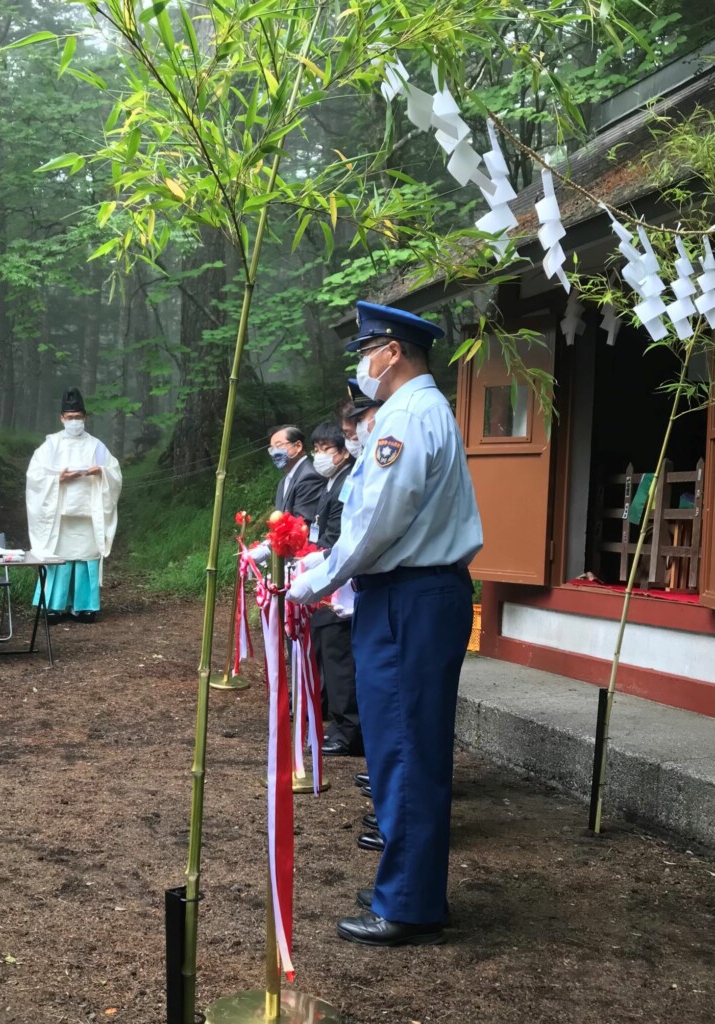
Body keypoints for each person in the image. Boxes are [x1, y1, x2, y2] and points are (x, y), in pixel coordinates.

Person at [288, 301, 483, 948]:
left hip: (409, 596)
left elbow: (377, 522)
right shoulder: (419, 411)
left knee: (404, 751)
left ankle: (408, 902)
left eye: (364, 351)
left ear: (392, 350)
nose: (361, 366)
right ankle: (405, 885)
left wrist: (314, 582)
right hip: (407, 594)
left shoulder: (408, 416)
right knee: (402, 747)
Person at [26, 387, 122, 624]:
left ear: (85, 418)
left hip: (88, 513)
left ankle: (85, 606)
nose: (74, 422)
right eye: (70, 418)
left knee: (86, 556)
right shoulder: (51, 445)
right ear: (62, 418)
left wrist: (101, 471)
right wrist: (57, 478)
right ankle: (53, 606)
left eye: (78, 417)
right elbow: (35, 476)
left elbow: (115, 473)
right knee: (59, 557)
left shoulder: (97, 446)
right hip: (60, 513)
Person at [301, 421, 362, 757]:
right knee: (328, 654)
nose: (320, 455)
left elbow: (337, 537)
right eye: (318, 449)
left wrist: (317, 559)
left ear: (342, 452)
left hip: (339, 584)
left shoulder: (346, 484)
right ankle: (338, 723)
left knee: (340, 660)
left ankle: (348, 730)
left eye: (326, 449)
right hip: (326, 573)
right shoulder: (331, 483)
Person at [248, 424, 326, 564]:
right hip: (287, 561)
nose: (274, 452)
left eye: (279, 446)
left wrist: (268, 548)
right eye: (271, 449)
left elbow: (302, 526)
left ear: (298, 446)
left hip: (303, 561)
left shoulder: (308, 477)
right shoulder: (284, 481)